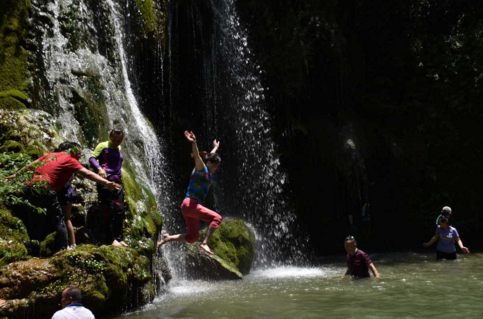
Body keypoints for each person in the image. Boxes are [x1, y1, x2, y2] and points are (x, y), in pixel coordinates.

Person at [6, 145, 120, 250]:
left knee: (35, 218)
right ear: (72, 151)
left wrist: (15, 176)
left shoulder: (51, 155)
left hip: (28, 187)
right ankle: (64, 248)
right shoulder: (70, 160)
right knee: (60, 219)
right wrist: (106, 183)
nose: (80, 155)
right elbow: (87, 174)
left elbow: (30, 165)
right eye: (79, 152)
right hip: (45, 189)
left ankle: (34, 247)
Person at [157, 131, 222, 255]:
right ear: (209, 164)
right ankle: (205, 243)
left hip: (189, 207)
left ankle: (168, 238)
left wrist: (215, 147)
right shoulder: (201, 169)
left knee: (192, 237)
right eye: (216, 166)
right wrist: (194, 142)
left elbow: (209, 156)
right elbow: (197, 156)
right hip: (191, 204)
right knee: (217, 218)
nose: (216, 169)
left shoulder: (208, 166)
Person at [89, 128, 127, 247]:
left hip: (117, 181)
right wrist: (99, 169)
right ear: (110, 137)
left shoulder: (119, 148)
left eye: (119, 140)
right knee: (108, 209)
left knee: (120, 210)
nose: (116, 142)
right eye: (114, 139)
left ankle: (119, 238)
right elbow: (92, 158)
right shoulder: (103, 146)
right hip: (105, 180)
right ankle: (111, 239)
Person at [57, 142, 80, 250]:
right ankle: (73, 244)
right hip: (69, 190)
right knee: (66, 218)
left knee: (64, 218)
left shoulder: (68, 163)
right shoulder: (75, 163)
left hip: (63, 191)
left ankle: (68, 244)